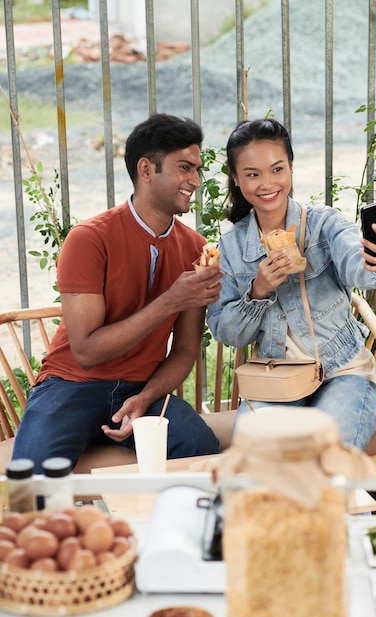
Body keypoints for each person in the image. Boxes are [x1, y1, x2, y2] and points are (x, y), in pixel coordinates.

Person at [12, 113, 223, 472]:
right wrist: (171, 299)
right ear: (146, 169)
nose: (195, 180)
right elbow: (86, 351)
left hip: (142, 388)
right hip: (71, 385)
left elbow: (186, 349)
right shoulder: (90, 239)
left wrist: (145, 398)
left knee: (201, 448)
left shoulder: (197, 250)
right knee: (31, 478)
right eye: (184, 168)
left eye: (197, 169)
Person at [207, 118, 376, 450]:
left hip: (343, 373)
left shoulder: (322, 224)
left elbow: (353, 260)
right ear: (236, 178)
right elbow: (228, 333)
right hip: (277, 383)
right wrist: (258, 290)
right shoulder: (230, 247)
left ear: (291, 168)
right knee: (256, 457)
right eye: (253, 174)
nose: (267, 183)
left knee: (327, 455)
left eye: (276, 169)